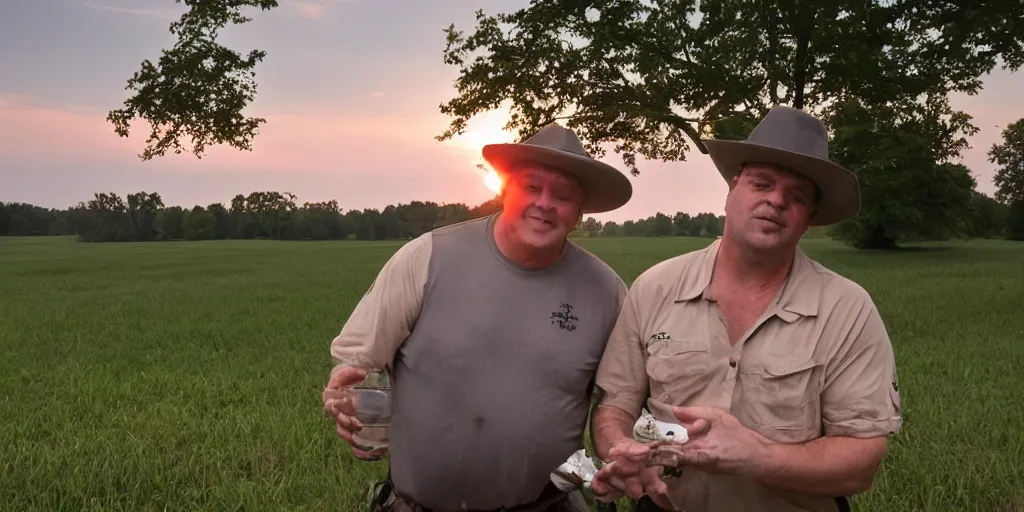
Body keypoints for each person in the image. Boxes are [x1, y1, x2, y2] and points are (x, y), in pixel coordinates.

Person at [588, 106, 903, 512]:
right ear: (732, 189)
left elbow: (861, 463)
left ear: (809, 219)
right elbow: (615, 405)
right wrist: (622, 449)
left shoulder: (847, 310)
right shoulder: (655, 288)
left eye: (797, 196)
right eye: (761, 183)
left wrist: (757, 456)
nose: (776, 200)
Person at [322, 123, 634, 512]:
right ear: (504, 189)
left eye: (564, 195)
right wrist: (342, 391)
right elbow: (358, 360)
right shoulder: (427, 257)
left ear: (579, 211)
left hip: (550, 505)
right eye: (532, 187)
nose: (545, 203)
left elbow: (622, 398)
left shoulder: (607, 291)